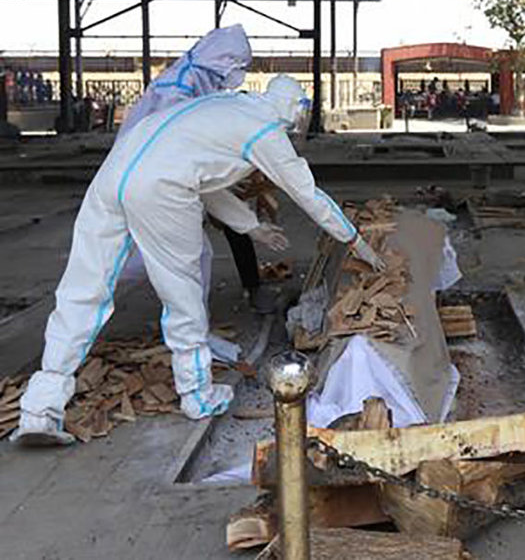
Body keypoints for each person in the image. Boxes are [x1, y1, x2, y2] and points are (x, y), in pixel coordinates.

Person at [14, 75, 385, 446]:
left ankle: (40, 409)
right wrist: (354, 239)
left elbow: (201, 176)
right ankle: (197, 394)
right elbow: (310, 196)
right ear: (296, 110)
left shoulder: (226, 106)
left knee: (83, 289)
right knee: (182, 291)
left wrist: (253, 227)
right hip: (161, 187)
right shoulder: (267, 130)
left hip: (115, 172)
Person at [116, 25, 275, 312]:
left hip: (159, 175)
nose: (237, 76)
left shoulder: (194, 82)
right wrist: (220, 182)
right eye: (238, 67)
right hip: (151, 179)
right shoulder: (177, 92)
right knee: (184, 252)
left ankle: (190, 326)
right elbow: (181, 149)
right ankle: (188, 332)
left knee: (185, 251)